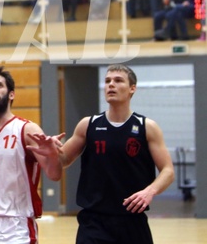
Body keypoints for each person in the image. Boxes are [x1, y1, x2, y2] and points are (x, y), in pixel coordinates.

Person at [56, 64, 174, 244]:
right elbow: (62, 160)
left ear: (132, 88)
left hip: (132, 221)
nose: (111, 85)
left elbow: (168, 171)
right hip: (94, 222)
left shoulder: (147, 127)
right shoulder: (88, 125)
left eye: (118, 81)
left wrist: (150, 191)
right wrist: (49, 149)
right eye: (107, 81)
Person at [0, 65, 62, 244]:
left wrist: (52, 155)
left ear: (11, 94)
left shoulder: (26, 129)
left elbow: (54, 174)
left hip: (15, 227)